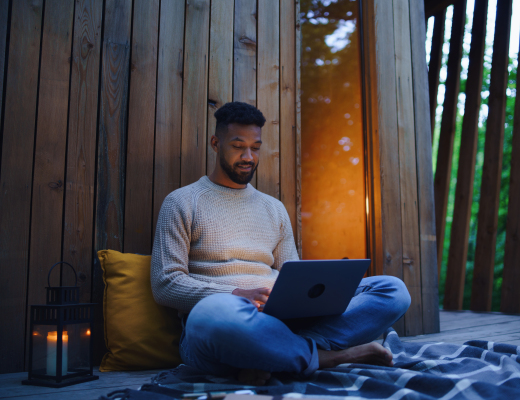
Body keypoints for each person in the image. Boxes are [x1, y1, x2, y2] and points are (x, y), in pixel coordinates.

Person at [151, 102, 411, 385]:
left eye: (256, 147)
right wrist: (236, 293)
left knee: (392, 290)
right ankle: (329, 357)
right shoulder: (182, 202)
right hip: (224, 322)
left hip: (280, 320)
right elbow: (166, 284)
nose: (248, 156)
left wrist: (312, 293)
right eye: (238, 146)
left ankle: (277, 355)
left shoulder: (273, 208)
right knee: (211, 315)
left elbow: (294, 275)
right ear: (216, 143)